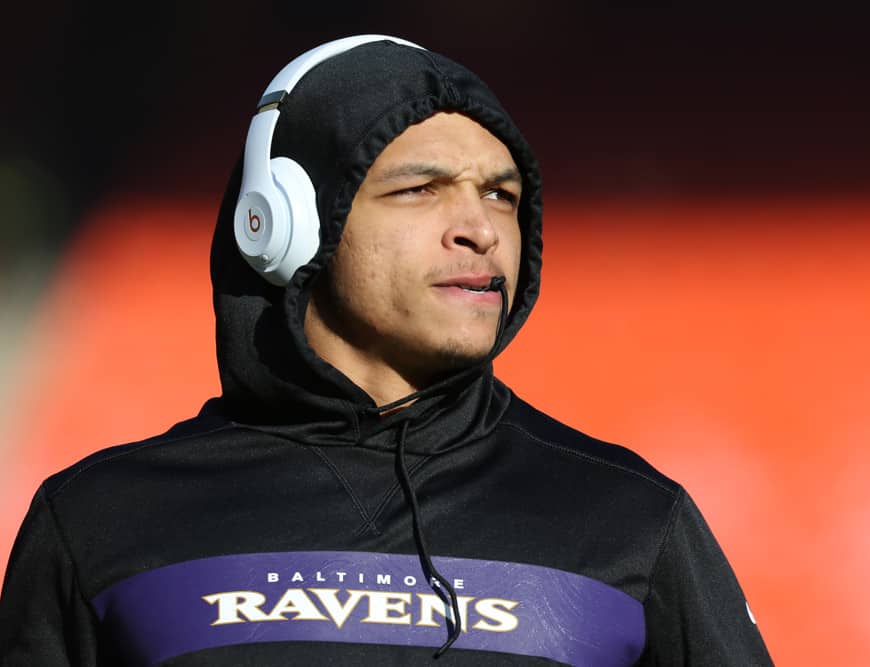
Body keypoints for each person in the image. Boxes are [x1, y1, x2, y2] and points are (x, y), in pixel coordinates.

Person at [0, 34, 773, 666]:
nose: (481, 228)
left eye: (501, 194)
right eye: (420, 189)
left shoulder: (634, 518)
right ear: (284, 226)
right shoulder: (99, 520)